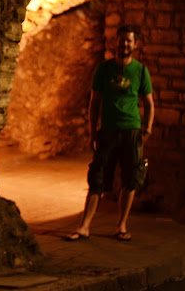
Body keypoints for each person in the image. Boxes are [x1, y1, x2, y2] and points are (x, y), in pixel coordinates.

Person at [66, 24, 155, 242]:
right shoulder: (104, 70)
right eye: (122, 39)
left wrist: (147, 129)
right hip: (107, 131)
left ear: (135, 45)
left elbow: (149, 103)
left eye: (129, 41)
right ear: (116, 42)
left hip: (131, 131)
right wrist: (92, 131)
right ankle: (84, 226)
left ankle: (121, 225)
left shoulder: (141, 71)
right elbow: (94, 102)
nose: (125, 44)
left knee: (131, 178)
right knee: (97, 178)